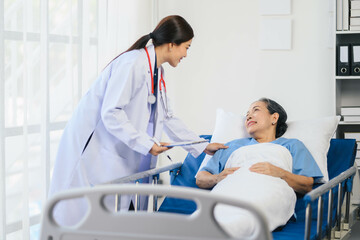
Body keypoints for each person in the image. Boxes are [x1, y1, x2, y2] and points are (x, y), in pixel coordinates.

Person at [49, 15, 226, 226]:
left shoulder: (155, 72)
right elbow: (111, 112)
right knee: (77, 219)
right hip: (93, 153)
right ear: (171, 45)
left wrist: (202, 145)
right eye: (186, 47)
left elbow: (167, 117)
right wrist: (146, 143)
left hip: (116, 155)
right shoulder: (132, 64)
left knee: (105, 219)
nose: (186, 54)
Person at [196, 98, 323, 238]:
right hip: (230, 189)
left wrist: (281, 173)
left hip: (270, 190)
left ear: (274, 117)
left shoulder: (292, 145)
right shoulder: (231, 146)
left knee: (245, 218)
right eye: (247, 114)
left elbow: (307, 185)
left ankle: (225, 230)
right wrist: (217, 178)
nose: (248, 116)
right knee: (214, 216)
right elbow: (201, 178)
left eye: (256, 110)